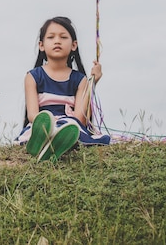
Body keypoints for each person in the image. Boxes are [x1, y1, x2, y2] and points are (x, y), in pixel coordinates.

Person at [14, 16, 111, 162]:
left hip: (68, 124)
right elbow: (32, 115)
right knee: (40, 129)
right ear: (41, 45)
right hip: (43, 124)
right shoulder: (33, 77)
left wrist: (92, 83)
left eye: (63, 37)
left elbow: (80, 119)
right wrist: (49, 123)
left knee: (71, 127)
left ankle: (55, 143)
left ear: (74, 45)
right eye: (51, 37)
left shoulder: (80, 80)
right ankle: (45, 141)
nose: (57, 41)